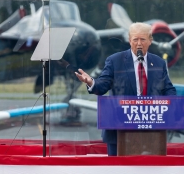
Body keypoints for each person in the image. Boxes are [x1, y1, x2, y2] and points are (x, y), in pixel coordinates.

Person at [75, 22, 176, 156]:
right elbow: (102, 86)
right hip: (118, 130)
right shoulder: (115, 61)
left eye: (143, 39)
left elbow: (168, 89)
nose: (139, 43)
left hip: (151, 131)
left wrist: (174, 104)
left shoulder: (158, 63)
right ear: (129, 41)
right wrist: (91, 82)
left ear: (150, 41)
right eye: (135, 39)